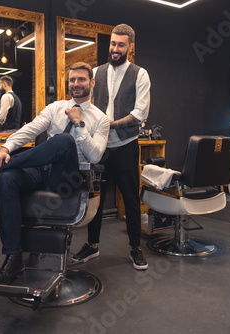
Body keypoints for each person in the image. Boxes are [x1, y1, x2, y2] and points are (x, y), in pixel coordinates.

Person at [0, 62, 110, 284]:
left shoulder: (101, 119)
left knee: (64, 140)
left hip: (68, 179)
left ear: (92, 82)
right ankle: (13, 258)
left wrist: (80, 123)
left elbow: (95, 157)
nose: (76, 84)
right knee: (8, 177)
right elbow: (29, 130)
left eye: (81, 79)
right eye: (72, 80)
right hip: (41, 173)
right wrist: (4, 148)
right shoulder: (55, 108)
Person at [72, 24, 151, 271]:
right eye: (113, 44)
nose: (115, 49)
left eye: (121, 45)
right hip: (100, 148)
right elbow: (84, 103)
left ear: (130, 47)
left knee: (130, 198)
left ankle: (135, 248)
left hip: (126, 145)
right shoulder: (96, 72)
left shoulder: (140, 74)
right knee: (95, 195)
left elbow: (139, 113)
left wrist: (108, 125)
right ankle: (92, 245)